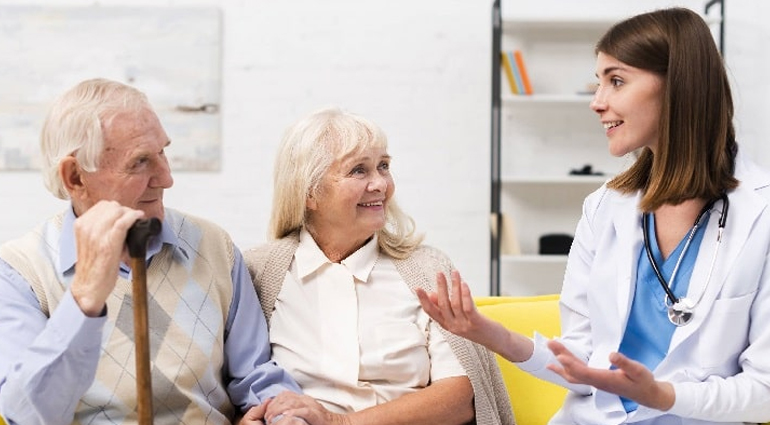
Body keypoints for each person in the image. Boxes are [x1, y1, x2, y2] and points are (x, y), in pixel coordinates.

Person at [416, 7, 770, 425]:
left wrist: (662, 396)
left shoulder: (760, 214)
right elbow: (584, 361)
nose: (597, 102)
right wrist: (488, 333)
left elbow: (763, 392)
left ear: (678, 84)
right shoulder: (605, 207)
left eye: (616, 81)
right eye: (599, 81)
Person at [0, 78, 305, 425]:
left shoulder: (214, 247)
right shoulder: (20, 273)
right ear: (75, 177)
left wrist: (281, 417)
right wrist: (84, 298)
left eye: (162, 152)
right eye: (140, 161)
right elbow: (25, 416)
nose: (166, 178)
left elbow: (257, 377)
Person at [242, 106, 514, 425]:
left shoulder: (427, 269)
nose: (380, 184)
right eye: (359, 170)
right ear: (309, 193)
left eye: (383, 166)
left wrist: (339, 423)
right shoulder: (258, 272)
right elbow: (230, 382)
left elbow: (462, 397)